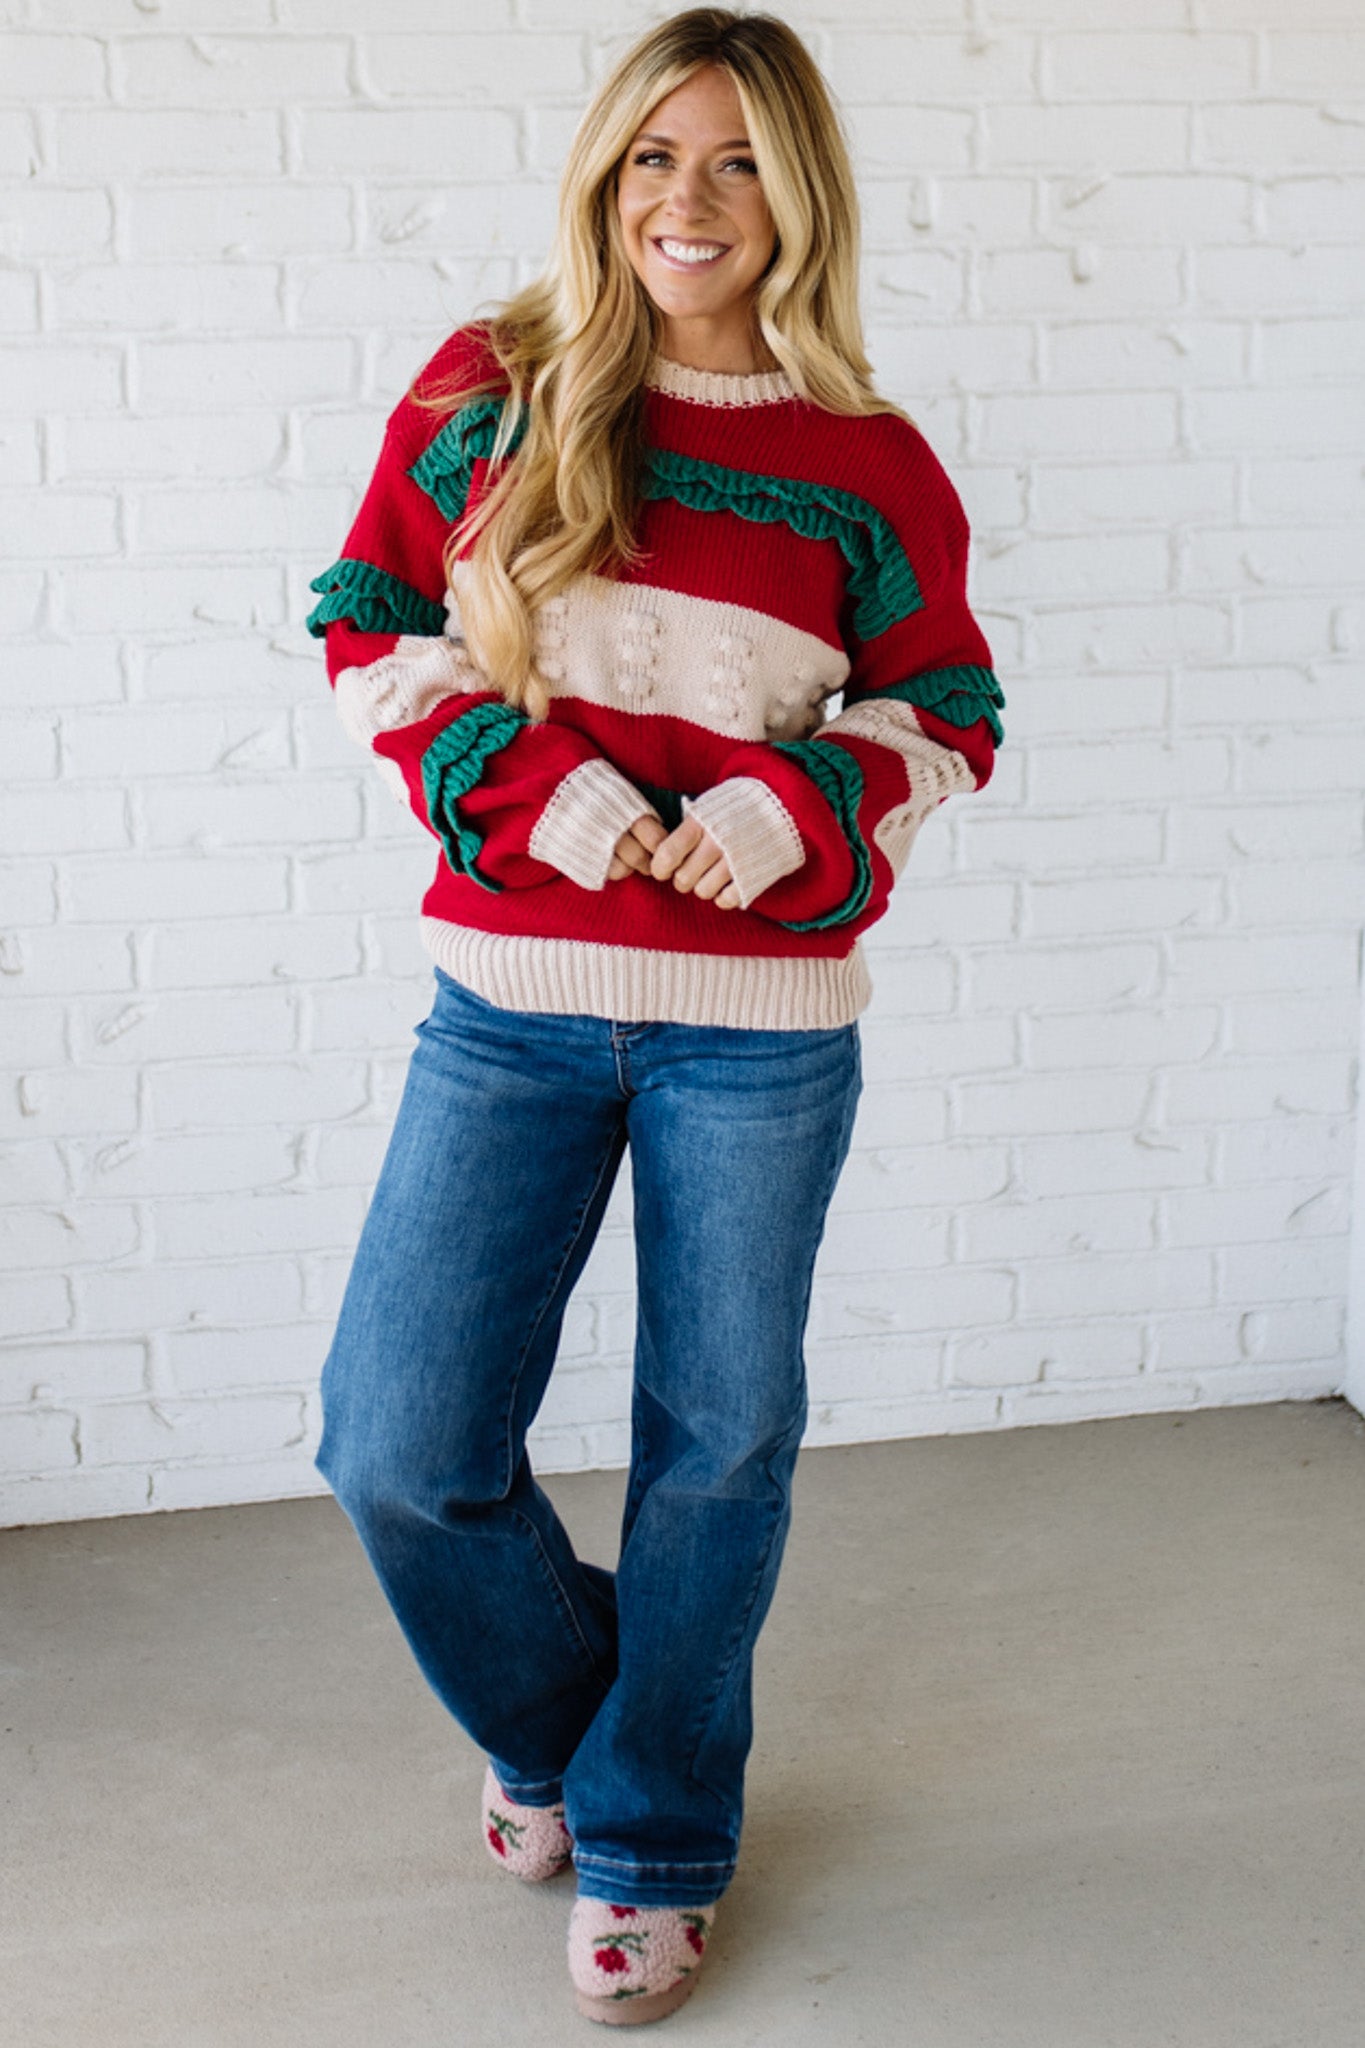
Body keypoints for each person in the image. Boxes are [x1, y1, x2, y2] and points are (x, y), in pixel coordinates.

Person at [308, 6, 1004, 2026]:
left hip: (760, 1034)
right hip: (505, 1008)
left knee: (720, 1444)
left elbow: (943, 710)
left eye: (733, 163)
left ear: (798, 195)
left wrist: (795, 803)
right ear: (602, 179)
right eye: (650, 160)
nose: (686, 204)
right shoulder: (487, 389)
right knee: (396, 1441)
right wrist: (561, 796)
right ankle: (589, 1728)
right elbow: (369, 624)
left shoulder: (869, 465)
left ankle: (651, 1831)